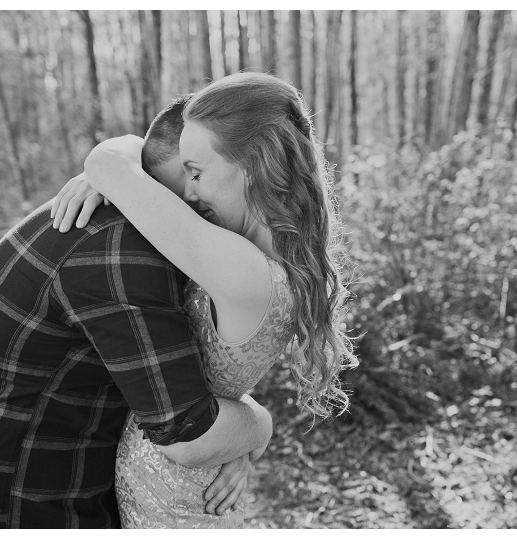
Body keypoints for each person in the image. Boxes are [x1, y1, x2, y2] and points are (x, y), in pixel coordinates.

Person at [0, 96, 271, 528]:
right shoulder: (125, 250)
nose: (200, 196)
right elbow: (187, 431)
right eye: (195, 176)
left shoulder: (125, 220)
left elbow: (165, 370)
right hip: (11, 510)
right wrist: (256, 426)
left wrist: (230, 439)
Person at [51, 72, 358, 528]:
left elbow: (107, 161)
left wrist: (115, 170)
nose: (188, 193)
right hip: (194, 462)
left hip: (169, 481)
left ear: (251, 164)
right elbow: (218, 367)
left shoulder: (242, 271)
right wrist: (247, 429)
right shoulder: (273, 260)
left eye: (195, 172)